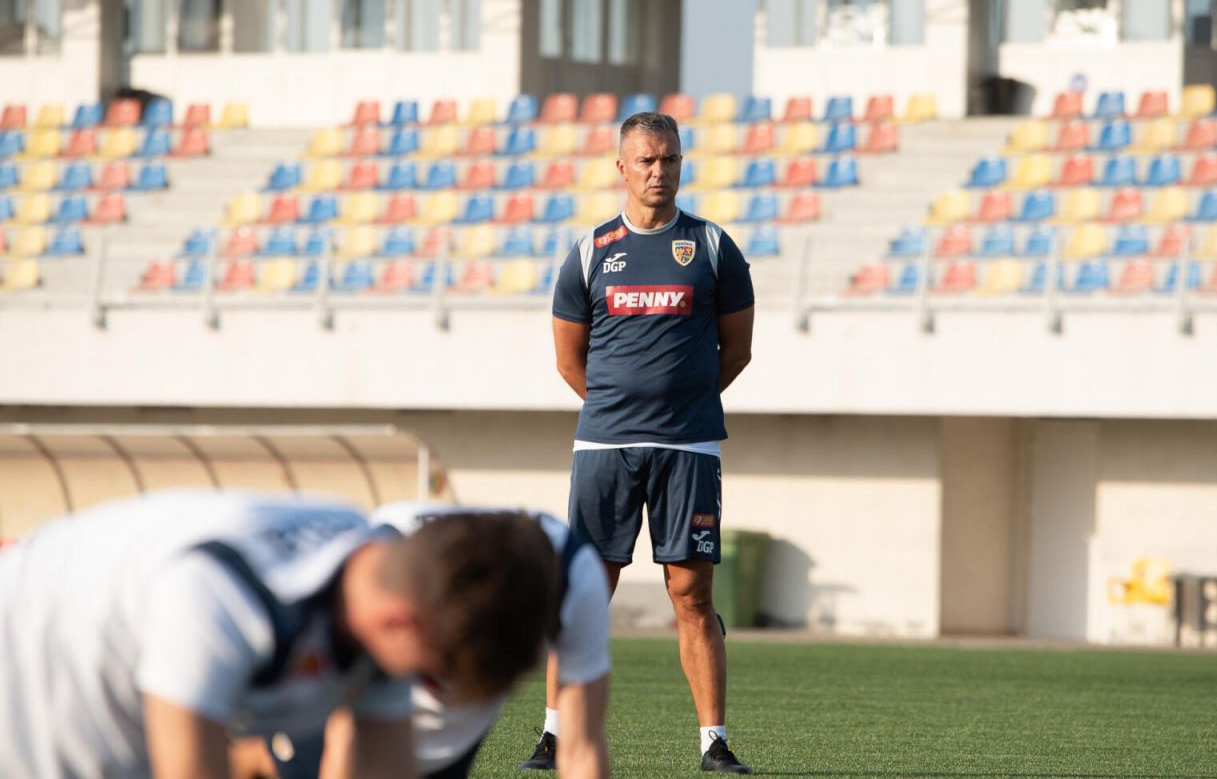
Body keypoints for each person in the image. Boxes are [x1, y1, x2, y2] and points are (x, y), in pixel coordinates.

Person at [0, 489, 557, 779]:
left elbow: (382, 766)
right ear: (398, 622)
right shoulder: (219, 594)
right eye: (433, 674)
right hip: (29, 666)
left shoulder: (380, 603)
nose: (429, 689)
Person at [538, 111, 755, 774]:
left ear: (681, 164)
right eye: (647, 161)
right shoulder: (589, 252)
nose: (659, 172)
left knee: (692, 595)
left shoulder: (714, 249)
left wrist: (679, 408)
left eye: (669, 160)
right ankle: (552, 734)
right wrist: (618, 409)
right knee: (583, 591)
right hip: (605, 449)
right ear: (622, 168)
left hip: (688, 448)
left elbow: (737, 351)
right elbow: (568, 361)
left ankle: (713, 742)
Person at [297, 500, 612, 779]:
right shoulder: (379, 567)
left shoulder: (574, 579)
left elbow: (581, 747)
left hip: (448, 748)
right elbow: (344, 735)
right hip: (332, 716)